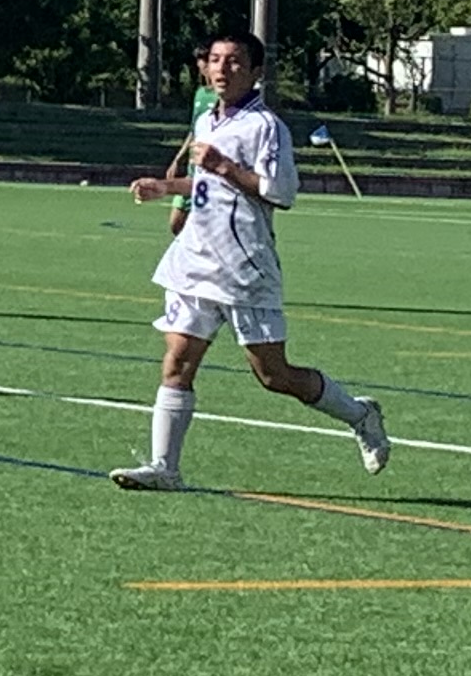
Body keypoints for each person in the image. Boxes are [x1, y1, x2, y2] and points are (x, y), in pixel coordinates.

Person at [108, 29, 390, 490]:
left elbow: (281, 193)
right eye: (216, 59)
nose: (223, 68)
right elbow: (208, 184)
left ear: (256, 71)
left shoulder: (266, 128)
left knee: (273, 375)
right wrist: (167, 188)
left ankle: (360, 415)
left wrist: (225, 166)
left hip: (244, 269)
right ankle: (165, 468)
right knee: (177, 361)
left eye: (235, 60)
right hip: (194, 261)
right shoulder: (207, 120)